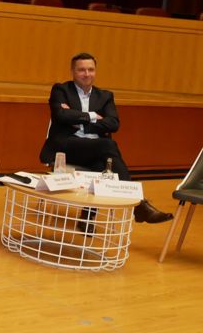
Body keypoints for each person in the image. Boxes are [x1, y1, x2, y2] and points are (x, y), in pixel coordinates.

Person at [39, 52, 172, 224]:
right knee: (107, 146)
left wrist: (80, 120)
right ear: (73, 71)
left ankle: (88, 217)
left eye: (90, 70)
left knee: (104, 165)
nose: (87, 74)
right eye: (81, 70)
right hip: (66, 148)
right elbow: (60, 116)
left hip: (93, 149)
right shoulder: (61, 89)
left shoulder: (105, 96)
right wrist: (93, 116)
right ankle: (139, 206)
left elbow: (113, 124)